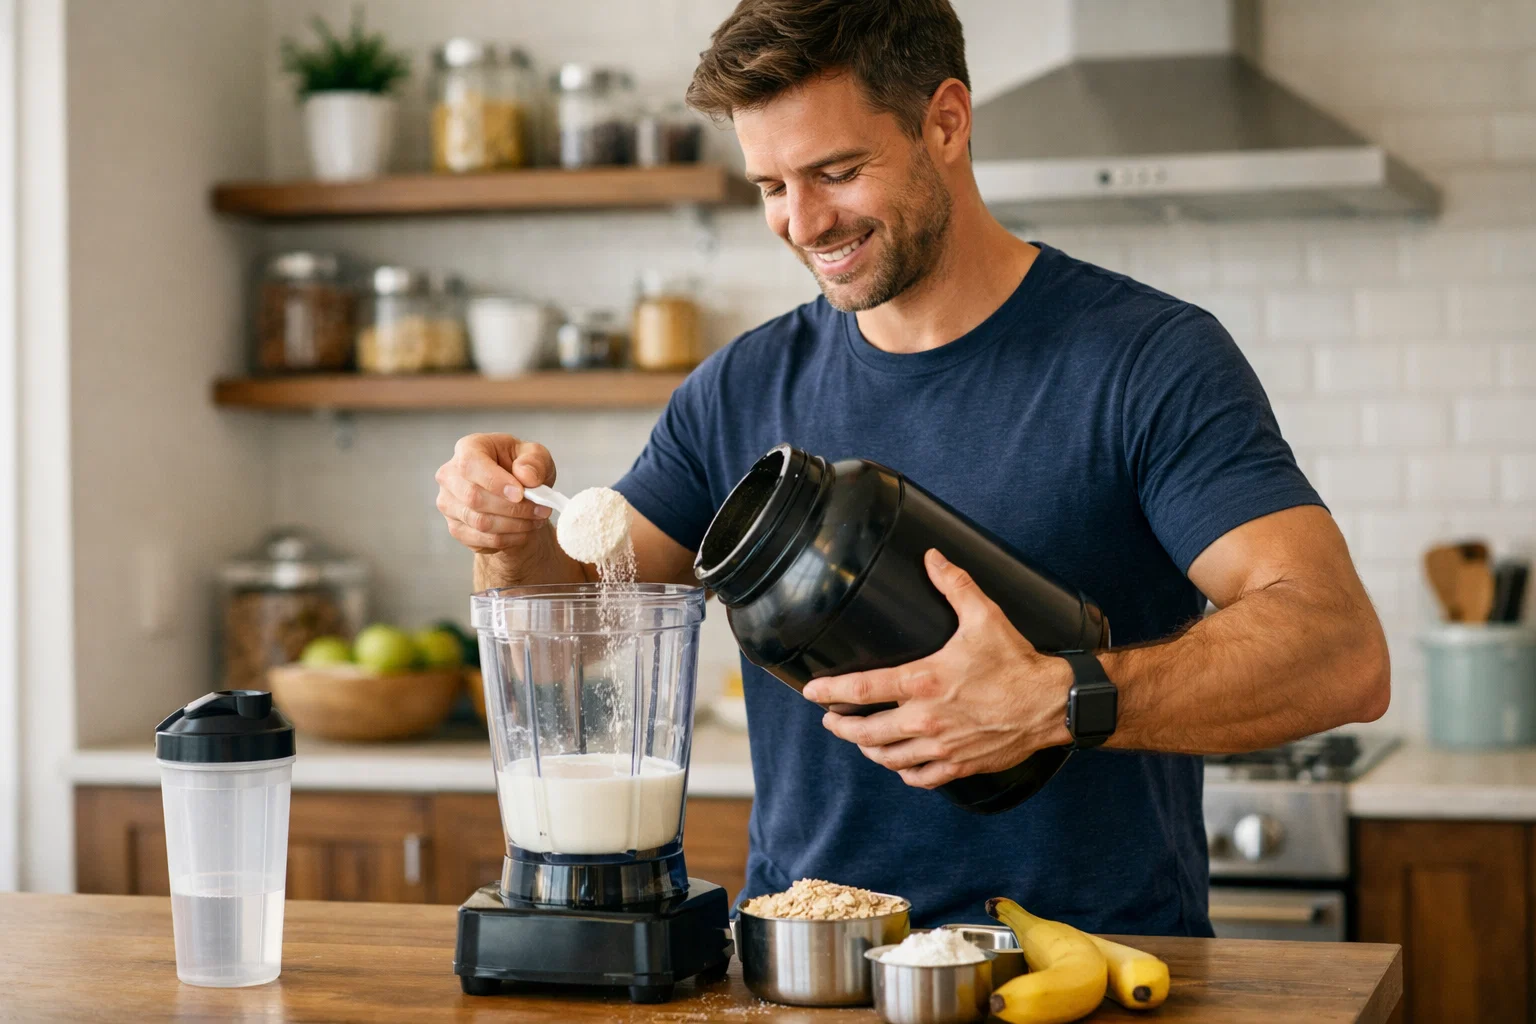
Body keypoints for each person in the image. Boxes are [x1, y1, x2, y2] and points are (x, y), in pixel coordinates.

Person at [434, 0, 1389, 936]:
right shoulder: (738, 388)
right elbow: (581, 645)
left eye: (837, 171)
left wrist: (1058, 699)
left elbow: (1340, 651)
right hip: (811, 971)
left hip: (1092, 973)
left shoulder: (1146, 360)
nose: (803, 223)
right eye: (770, 186)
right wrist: (509, 542)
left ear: (946, 122)